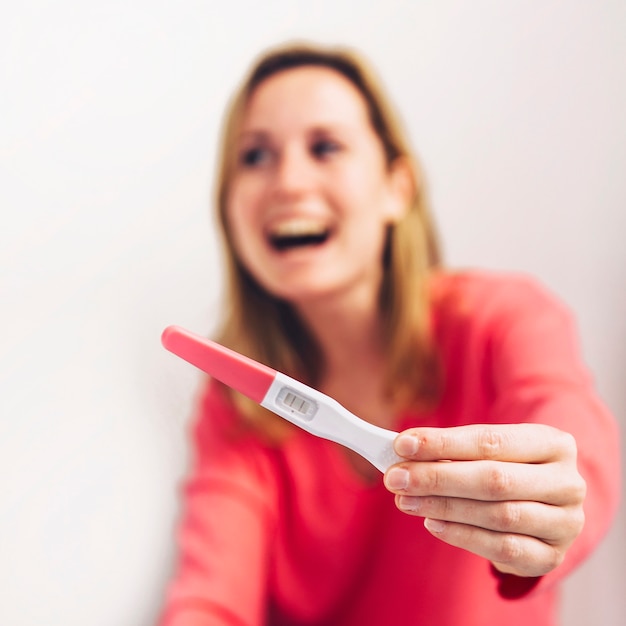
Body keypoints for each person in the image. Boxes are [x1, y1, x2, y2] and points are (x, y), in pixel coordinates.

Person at [158, 42, 620, 626]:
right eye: (254, 156)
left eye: (326, 147)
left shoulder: (504, 321)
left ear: (397, 186)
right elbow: (211, 596)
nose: (289, 181)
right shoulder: (236, 405)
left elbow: (574, 438)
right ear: (227, 208)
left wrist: (549, 508)